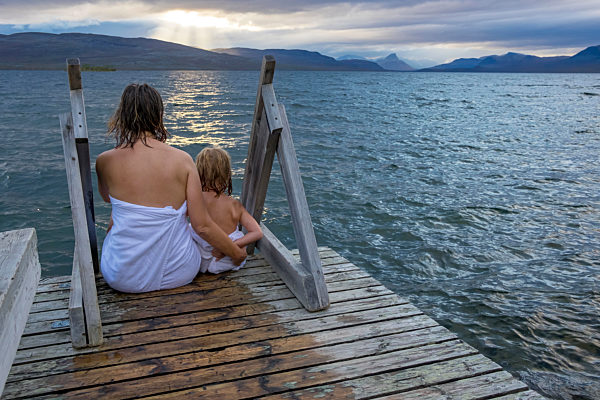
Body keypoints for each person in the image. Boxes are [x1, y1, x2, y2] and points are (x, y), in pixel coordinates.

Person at [96, 83, 246, 293]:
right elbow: (202, 226)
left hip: (121, 276)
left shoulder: (104, 161)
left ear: (122, 116)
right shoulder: (183, 160)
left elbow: (107, 198)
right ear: (158, 115)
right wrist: (237, 254)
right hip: (178, 272)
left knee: (118, 216)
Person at [192, 147, 263, 273]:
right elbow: (257, 232)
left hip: (199, 258)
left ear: (198, 172)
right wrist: (229, 248)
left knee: (189, 228)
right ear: (226, 173)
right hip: (226, 260)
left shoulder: (194, 200)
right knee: (239, 238)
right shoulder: (234, 205)